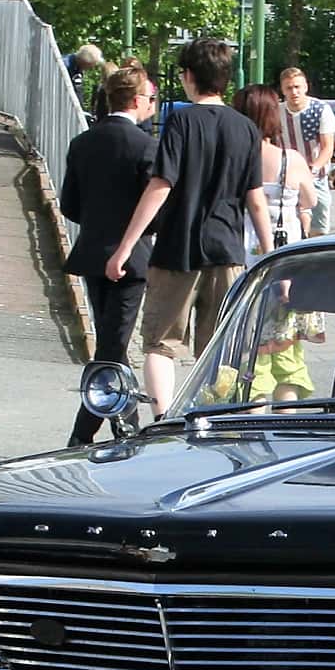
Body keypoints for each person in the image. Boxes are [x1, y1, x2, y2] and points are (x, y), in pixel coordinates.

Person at [105, 38, 274, 418]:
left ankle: (164, 420)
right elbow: (255, 198)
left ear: (189, 77)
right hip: (226, 250)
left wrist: (126, 247)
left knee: (161, 344)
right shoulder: (246, 129)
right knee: (219, 348)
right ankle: (222, 421)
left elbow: (160, 185)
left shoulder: (181, 120)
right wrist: (271, 256)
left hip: (177, 250)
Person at [59, 63, 159, 446]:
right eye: (149, 99)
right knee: (112, 345)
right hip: (131, 258)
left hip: (92, 250)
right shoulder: (145, 146)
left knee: (109, 339)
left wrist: (99, 222)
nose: (151, 105)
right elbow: (156, 210)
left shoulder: (83, 142)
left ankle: (122, 421)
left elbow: (70, 204)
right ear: (136, 100)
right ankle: (89, 430)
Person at [228, 84, 323, 404]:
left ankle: (252, 424)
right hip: (287, 259)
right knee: (289, 356)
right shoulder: (290, 159)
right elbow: (311, 199)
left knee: (251, 356)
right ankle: (284, 426)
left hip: (244, 256)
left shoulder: (236, 157)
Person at [277, 68, 335, 236]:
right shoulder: (277, 111)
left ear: (305, 87)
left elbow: (327, 147)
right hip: (287, 175)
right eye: (289, 88)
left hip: (316, 175)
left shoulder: (320, 109)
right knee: (291, 221)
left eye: (297, 87)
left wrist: (314, 168)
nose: (294, 92)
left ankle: (316, 250)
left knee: (319, 224)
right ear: (282, 90)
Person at [66, 43, 104, 108]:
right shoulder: (66, 66)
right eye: (91, 65)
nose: (91, 68)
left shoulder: (78, 67)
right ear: (84, 62)